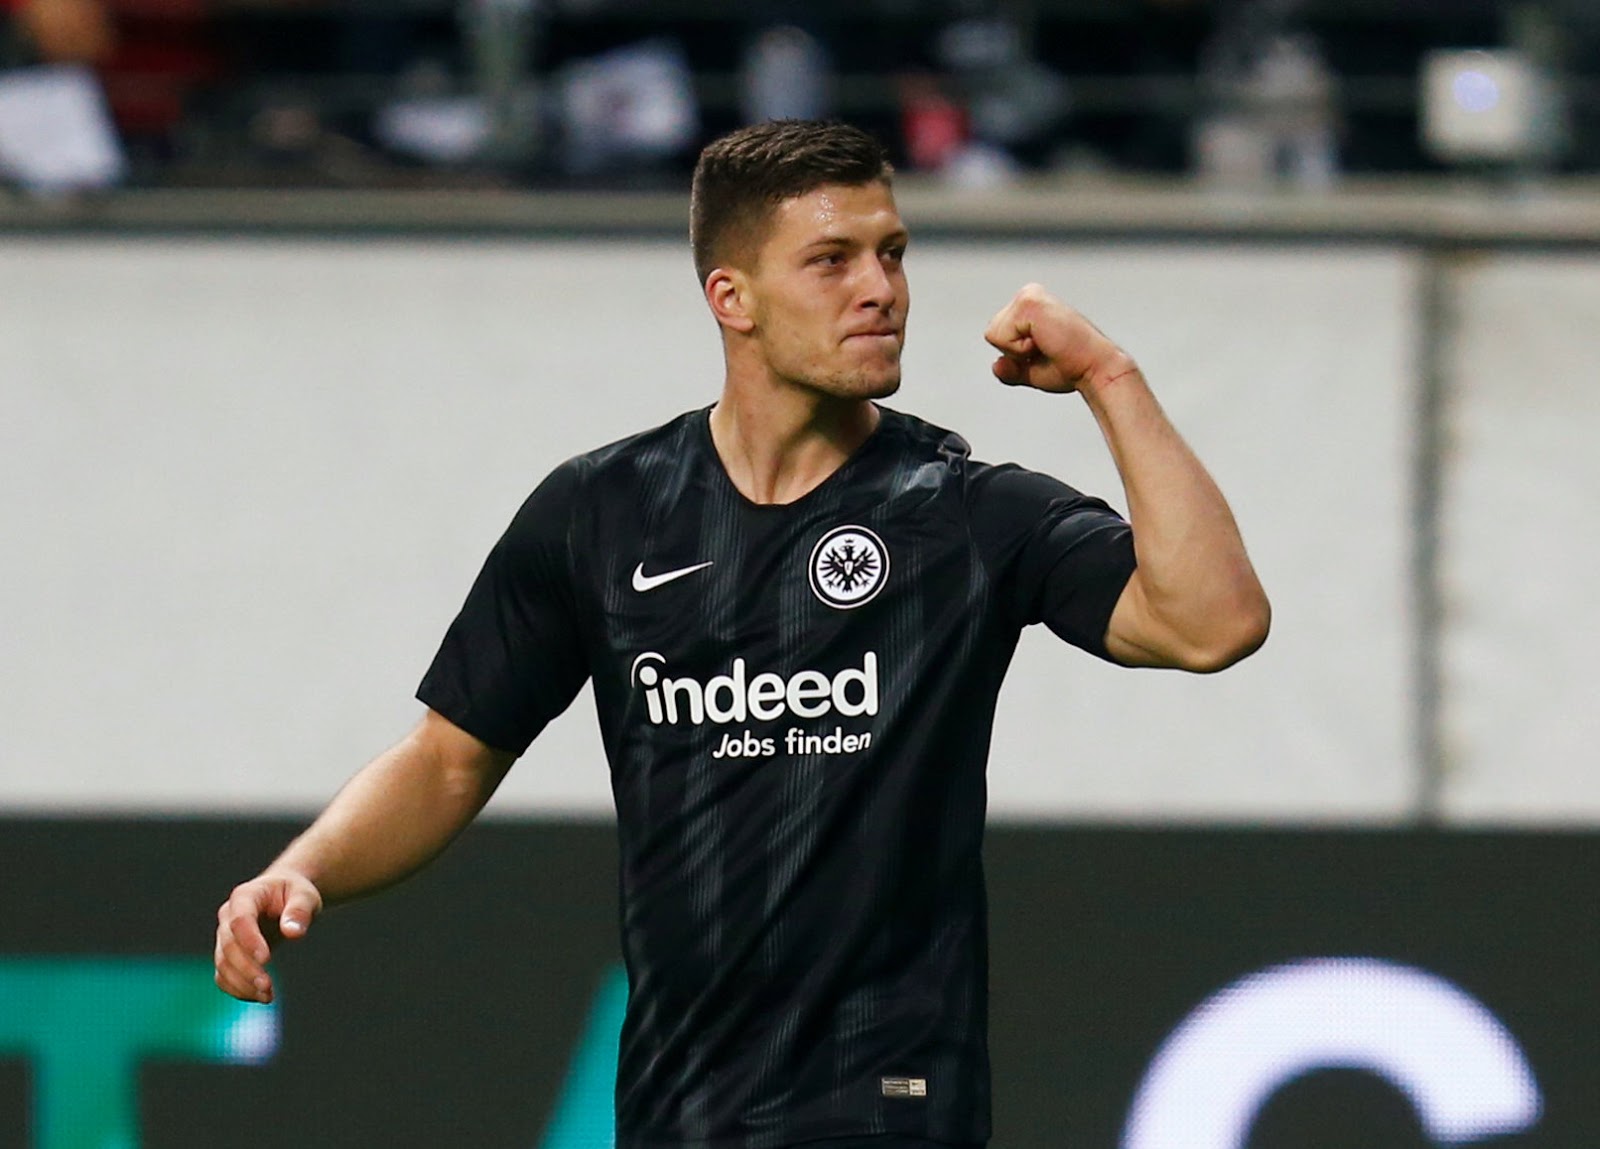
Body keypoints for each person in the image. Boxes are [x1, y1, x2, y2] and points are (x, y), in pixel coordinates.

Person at [214, 119, 1269, 1149]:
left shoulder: (963, 513)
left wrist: (1109, 380)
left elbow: (1212, 622)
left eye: (893, 253)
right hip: (679, 1109)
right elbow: (449, 755)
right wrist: (306, 870)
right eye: (832, 260)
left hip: (889, 1103)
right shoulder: (602, 512)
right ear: (733, 298)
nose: (881, 288)